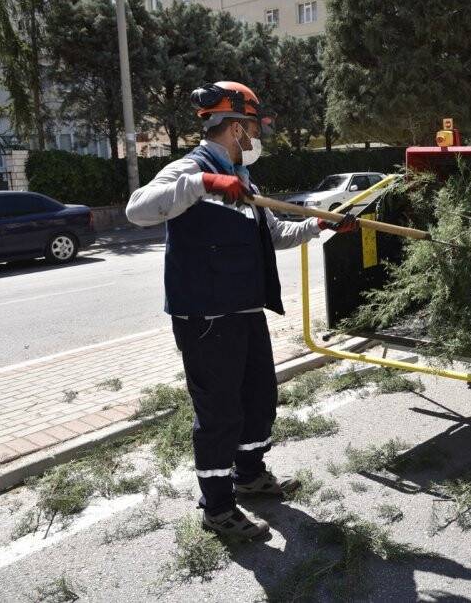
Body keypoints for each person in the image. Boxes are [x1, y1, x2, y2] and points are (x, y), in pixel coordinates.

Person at [126, 81, 358, 541]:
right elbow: (138, 210)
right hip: (207, 318)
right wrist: (203, 183)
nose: (256, 139)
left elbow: (273, 233)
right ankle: (217, 509)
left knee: (258, 400)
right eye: (253, 129)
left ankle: (249, 476)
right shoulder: (188, 169)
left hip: (245, 311)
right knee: (219, 414)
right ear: (235, 127)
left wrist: (320, 225)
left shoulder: (244, 180)